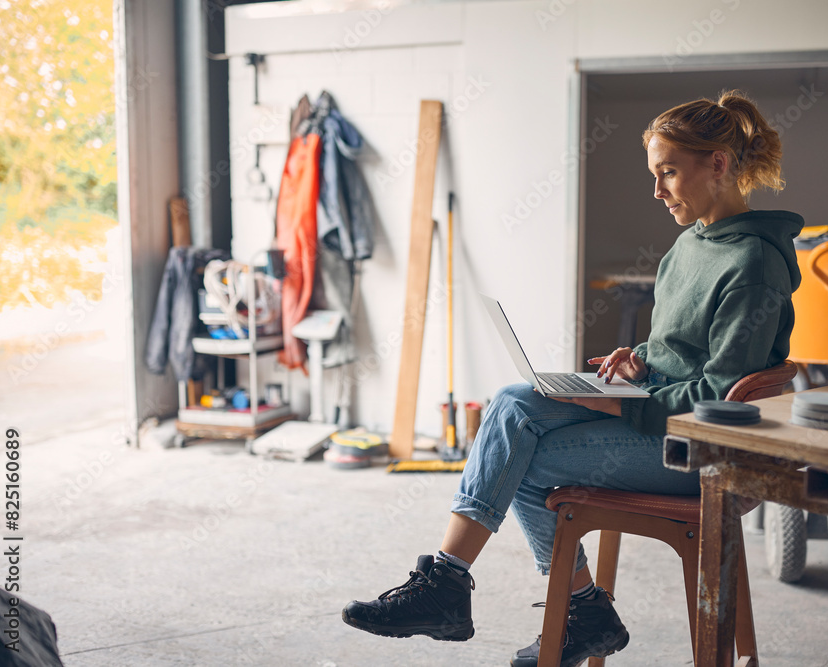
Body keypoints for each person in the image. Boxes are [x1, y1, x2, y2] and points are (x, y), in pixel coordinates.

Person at [342, 90, 804, 666]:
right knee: (513, 401)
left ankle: (563, 607)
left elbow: (718, 397)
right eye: (654, 174)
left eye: (668, 173)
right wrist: (638, 359)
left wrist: (622, 404)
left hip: (706, 456)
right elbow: (682, 351)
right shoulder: (692, 244)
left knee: (522, 457)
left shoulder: (754, 264)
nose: (657, 191)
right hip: (658, 413)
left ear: (718, 164)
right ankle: (456, 585)